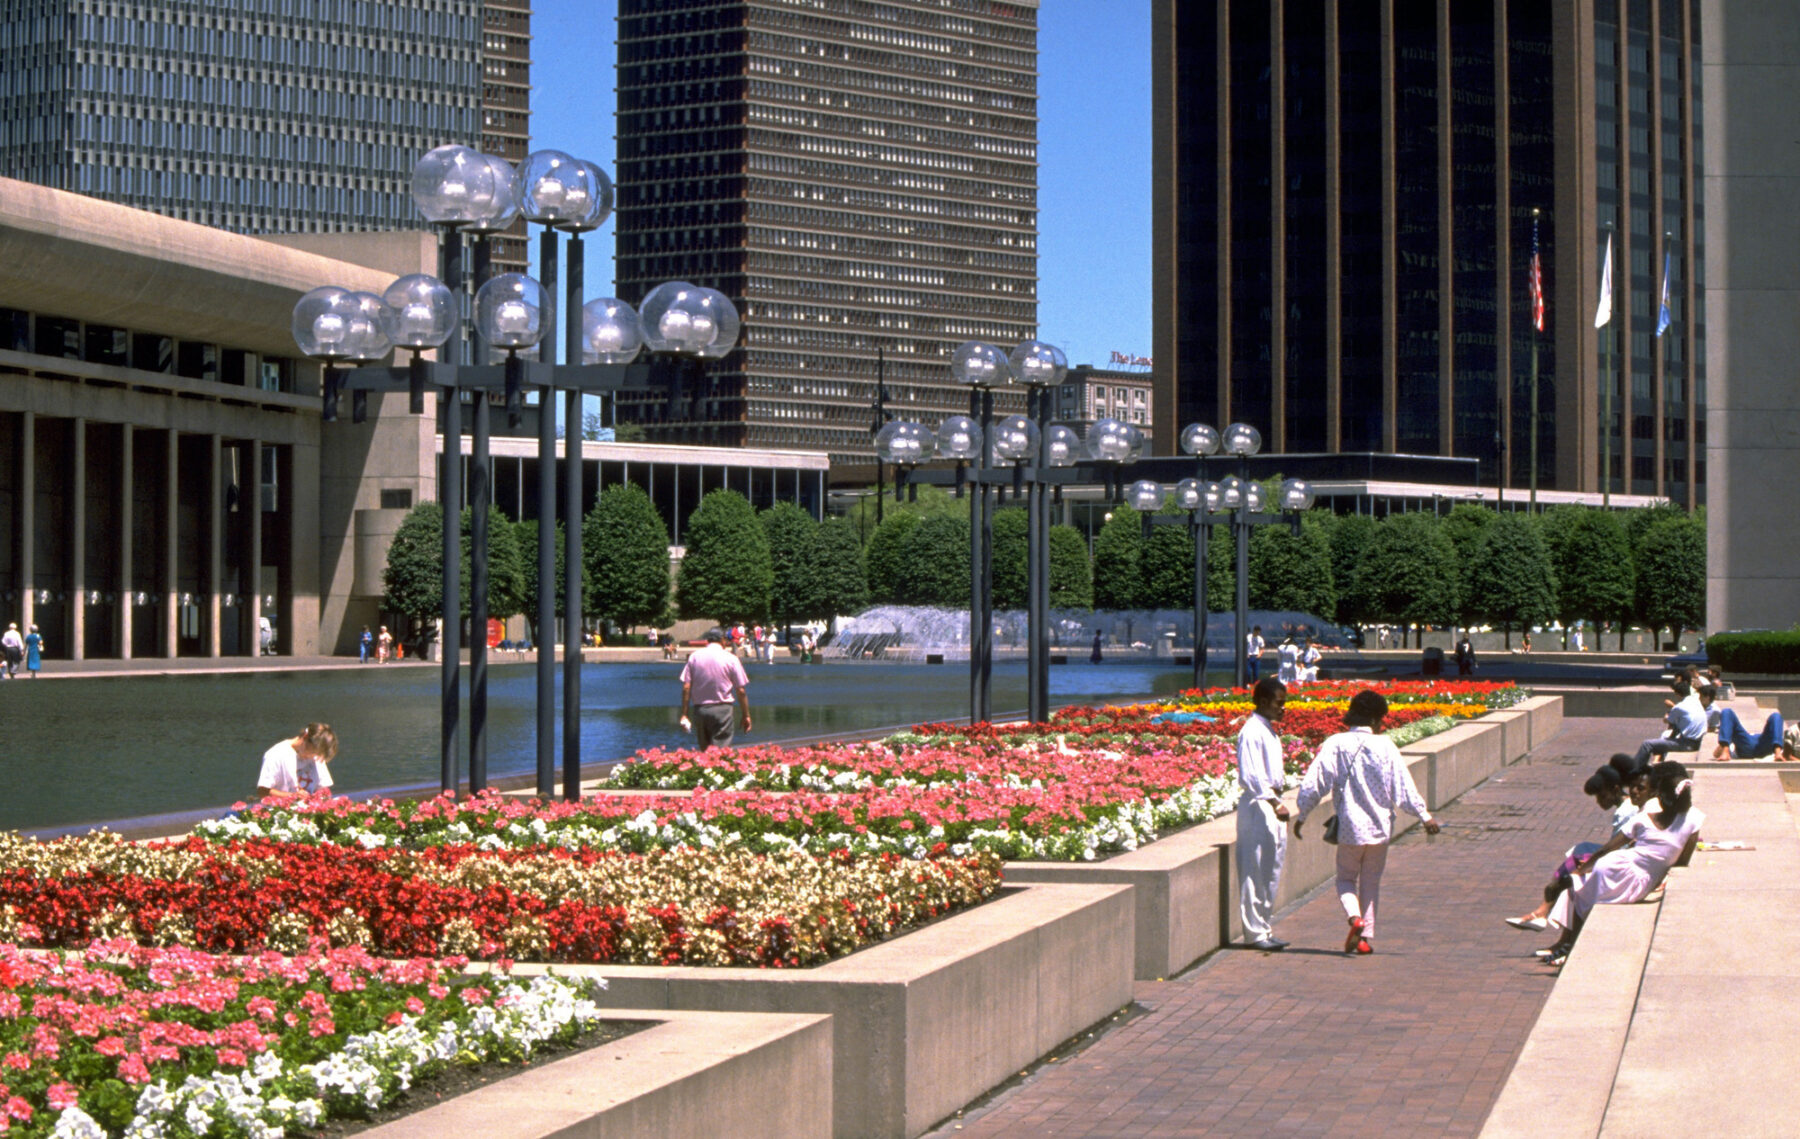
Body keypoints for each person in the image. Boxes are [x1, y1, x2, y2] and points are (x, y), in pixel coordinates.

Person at [1293, 689, 1441, 955]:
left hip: (1350, 827)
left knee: (1346, 879)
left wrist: (1302, 814)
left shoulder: (1336, 743)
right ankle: (1365, 938)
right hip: (1380, 827)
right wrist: (1425, 816)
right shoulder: (1386, 746)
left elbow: (1315, 783)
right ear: (1375, 719)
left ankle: (1354, 919)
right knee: (1371, 881)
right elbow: (1402, 788)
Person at [1539, 762, 1703, 965]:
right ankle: (1567, 947)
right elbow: (1682, 861)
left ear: (1660, 795)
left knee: (1580, 897)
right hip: (1644, 882)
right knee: (1582, 895)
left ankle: (1569, 945)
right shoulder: (1695, 819)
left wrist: (1583, 868)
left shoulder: (1643, 819)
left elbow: (1607, 849)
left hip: (1614, 868)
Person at [1506, 760, 1646, 931]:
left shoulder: (1626, 810)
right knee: (1580, 849)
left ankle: (1543, 911)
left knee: (1574, 864)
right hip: (1622, 855)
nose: (1599, 802)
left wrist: (1585, 865)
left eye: (1602, 796)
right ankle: (1544, 908)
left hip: (1623, 861)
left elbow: (1616, 847)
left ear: (1615, 789)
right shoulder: (1624, 807)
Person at [1236, 678, 1291, 950]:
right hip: (1259, 805)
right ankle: (1254, 932)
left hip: (1272, 803)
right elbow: (1251, 775)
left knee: (1271, 868)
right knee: (1254, 870)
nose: (1283, 709)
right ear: (1263, 702)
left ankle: (1264, 928)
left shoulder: (1268, 730)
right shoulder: (1251, 732)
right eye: (1279, 703)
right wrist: (1273, 802)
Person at [679, 628, 752, 749]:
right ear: (722, 640)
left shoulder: (694, 657)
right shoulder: (731, 658)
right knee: (720, 752)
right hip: (722, 709)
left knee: (704, 752)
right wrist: (746, 715)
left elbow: (686, 687)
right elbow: (741, 690)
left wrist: (684, 714)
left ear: (707, 640)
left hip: (700, 710)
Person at [255, 722, 339, 805]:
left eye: (316, 753)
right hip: (282, 813)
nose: (311, 756)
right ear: (305, 737)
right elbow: (262, 792)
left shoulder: (316, 756)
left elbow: (323, 789)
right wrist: (292, 796)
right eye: (311, 751)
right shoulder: (276, 754)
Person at [1632, 680, 1710, 766]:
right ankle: (1654, 765)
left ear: (1678, 694)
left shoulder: (1679, 707)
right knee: (1664, 739)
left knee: (1647, 744)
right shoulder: (1696, 701)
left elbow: (1667, 720)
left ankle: (1635, 770)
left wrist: (1667, 715)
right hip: (1697, 741)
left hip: (1687, 744)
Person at [1711, 705, 1792, 760]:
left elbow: (1715, 754)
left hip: (1757, 745)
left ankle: (1725, 752)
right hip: (1756, 746)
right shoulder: (1732, 738)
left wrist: (1727, 742)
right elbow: (1715, 754)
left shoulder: (1731, 738)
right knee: (1776, 716)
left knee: (1776, 716)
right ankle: (1777, 752)